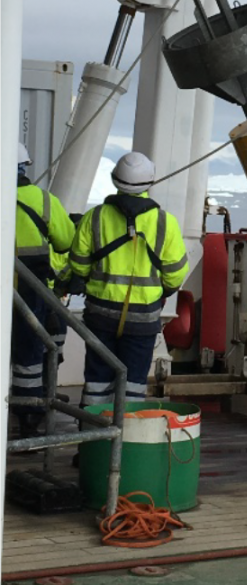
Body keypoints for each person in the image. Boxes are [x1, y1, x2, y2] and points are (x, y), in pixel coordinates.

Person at [69, 152, 188, 409]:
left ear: (115, 180)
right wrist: (164, 290)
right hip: (142, 319)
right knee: (133, 384)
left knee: (97, 381)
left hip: (100, 314)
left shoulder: (95, 217)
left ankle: (93, 443)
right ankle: (126, 443)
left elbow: (78, 263)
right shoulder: (166, 223)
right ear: (150, 182)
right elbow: (176, 272)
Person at [13, 141, 76, 435]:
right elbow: (66, 242)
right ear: (24, 166)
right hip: (33, 289)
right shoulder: (43, 200)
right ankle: (30, 414)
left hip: (11, 287)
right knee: (33, 349)